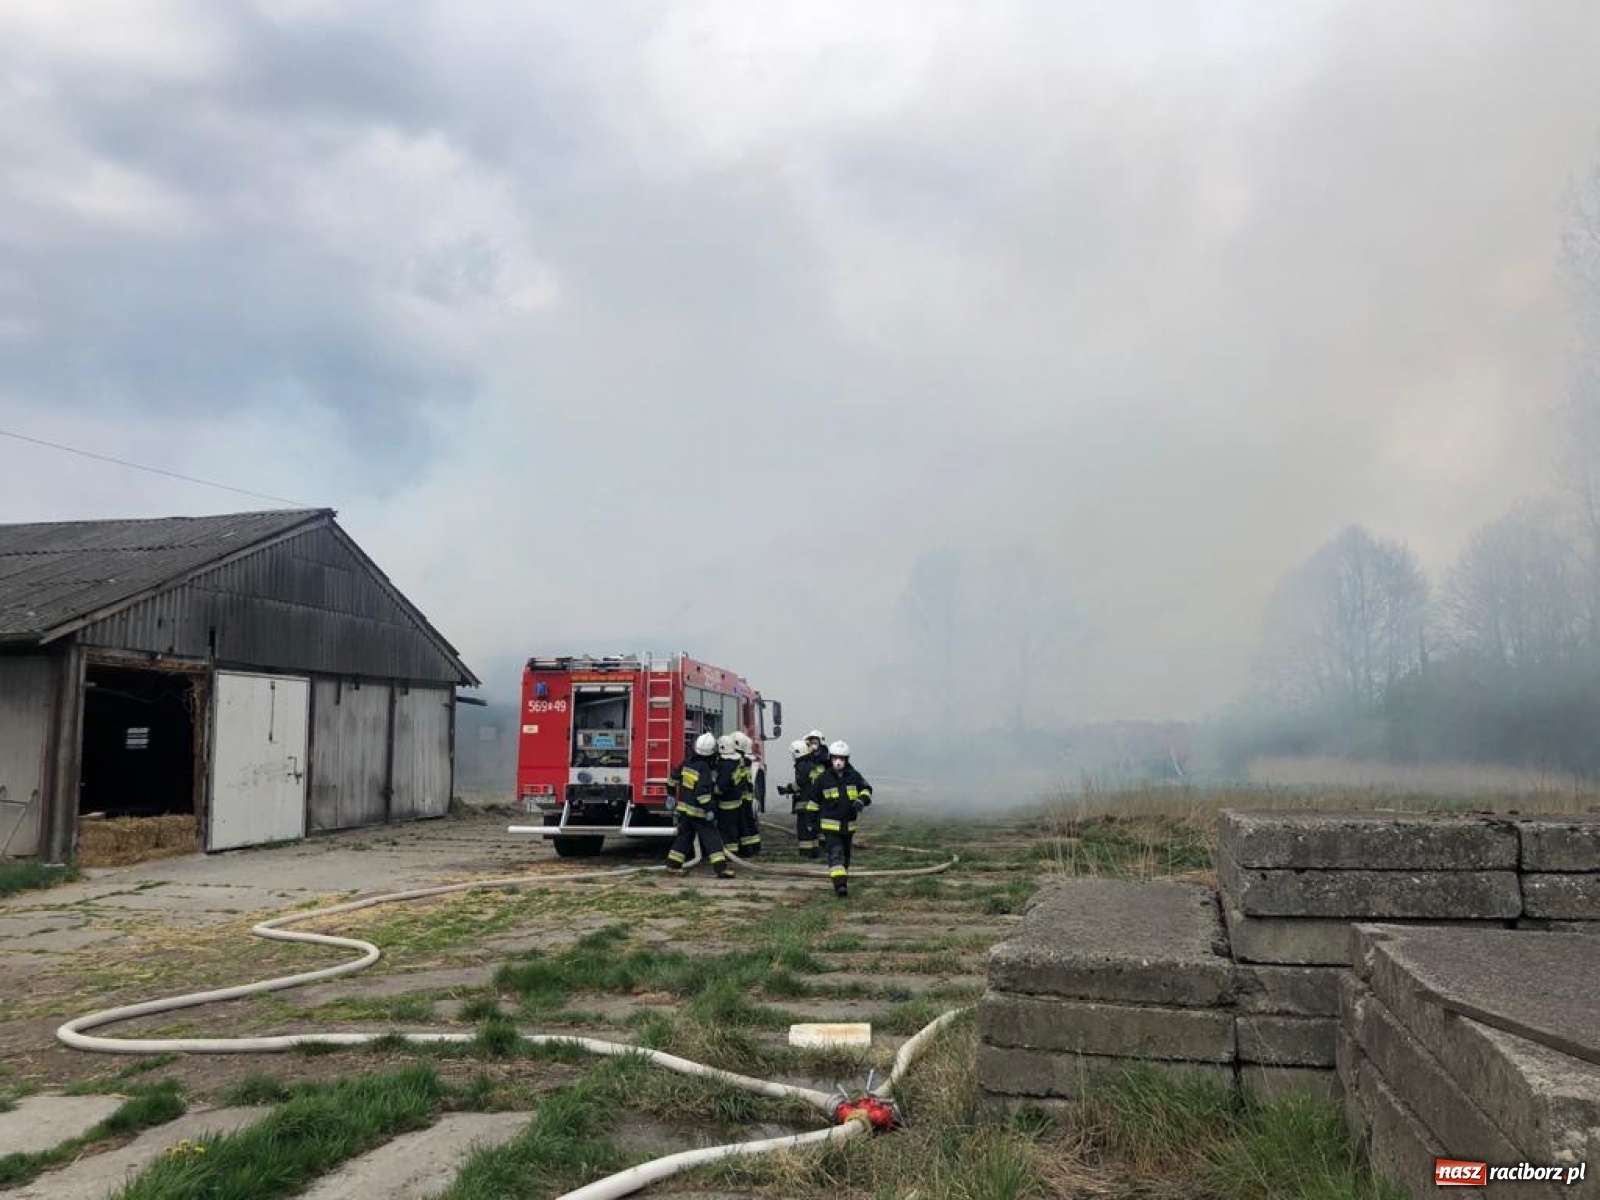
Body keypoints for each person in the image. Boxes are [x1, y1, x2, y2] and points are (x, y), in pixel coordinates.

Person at [664, 732, 734, 878]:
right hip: (699, 812)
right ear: (711, 753)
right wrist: (709, 810)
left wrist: (671, 795)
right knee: (712, 839)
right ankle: (721, 869)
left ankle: (672, 865)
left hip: (684, 810)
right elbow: (702, 794)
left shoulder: (687, 762)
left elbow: (672, 779)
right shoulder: (705, 769)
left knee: (684, 838)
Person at [812, 739, 872, 898]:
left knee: (845, 857)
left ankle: (842, 880)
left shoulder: (854, 776)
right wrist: (812, 824)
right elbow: (813, 802)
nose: (838, 761)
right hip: (830, 827)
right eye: (835, 758)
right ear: (830, 759)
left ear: (847, 759)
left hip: (848, 827)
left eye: (842, 758)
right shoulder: (823, 779)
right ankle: (840, 886)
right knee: (835, 854)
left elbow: (867, 789)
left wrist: (861, 800)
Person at [712, 734, 747, 856]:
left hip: (726, 804)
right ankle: (733, 851)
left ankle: (730, 854)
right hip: (736, 800)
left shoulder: (726, 765)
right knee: (733, 828)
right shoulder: (736, 761)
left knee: (727, 830)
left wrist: (711, 790)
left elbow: (720, 787)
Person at [777, 738, 813, 852]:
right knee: (811, 829)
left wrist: (786, 789)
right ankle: (814, 850)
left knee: (803, 829)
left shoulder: (802, 765)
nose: (792, 756)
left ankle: (805, 852)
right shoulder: (810, 763)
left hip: (805, 803)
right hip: (812, 802)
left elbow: (800, 784)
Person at [732, 730, 762, 857]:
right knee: (748, 823)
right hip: (747, 797)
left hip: (741, 798)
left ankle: (745, 850)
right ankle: (753, 847)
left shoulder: (740, 761)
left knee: (743, 824)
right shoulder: (747, 760)